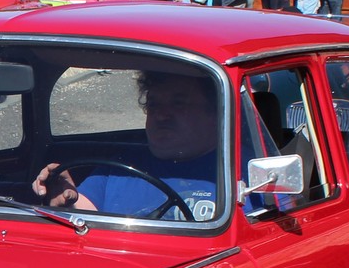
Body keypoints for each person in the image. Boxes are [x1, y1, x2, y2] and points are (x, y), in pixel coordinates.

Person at [32, 68, 220, 222]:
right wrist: (62, 196)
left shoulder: (229, 172)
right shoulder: (120, 167)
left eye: (178, 104)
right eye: (153, 105)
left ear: (215, 113)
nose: (161, 115)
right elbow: (83, 216)